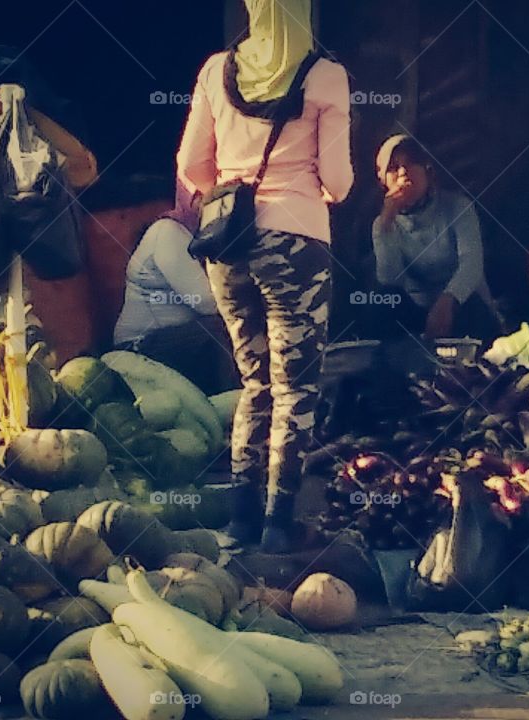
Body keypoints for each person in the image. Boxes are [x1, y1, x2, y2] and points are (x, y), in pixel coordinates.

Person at [177, 0, 353, 553]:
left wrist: (231, 184)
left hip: (228, 244)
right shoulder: (325, 76)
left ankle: (238, 519)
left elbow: (191, 166)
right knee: (295, 388)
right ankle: (279, 525)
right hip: (297, 242)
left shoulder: (215, 70)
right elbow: (341, 181)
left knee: (253, 382)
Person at [372, 134, 501, 342]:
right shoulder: (383, 224)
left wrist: (447, 301)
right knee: (383, 304)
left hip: (462, 305)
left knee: (473, 312)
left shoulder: (458, 207)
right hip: (420, 310)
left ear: (427, 171)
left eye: (412, 163)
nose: (404, 173)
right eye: (394, 167)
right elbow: (391, 279)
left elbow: (472, 265)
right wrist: (386, 227)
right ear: (383, 180)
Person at [113, 182, 238, 395]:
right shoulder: (168, 233)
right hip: (139, 346)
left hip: (178, 340)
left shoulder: (202, 237)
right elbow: (207, 303)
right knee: (223, 328)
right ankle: (237, 406)